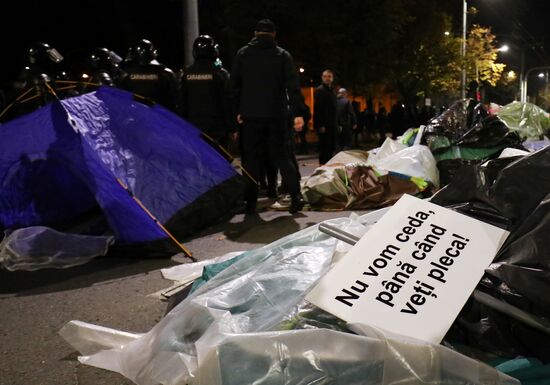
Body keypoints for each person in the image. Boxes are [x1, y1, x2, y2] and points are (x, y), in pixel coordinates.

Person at [230, 19, 305, 214]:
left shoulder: (243, 54)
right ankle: (296, 196)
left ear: (255, 34)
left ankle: (251, 201)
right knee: (282, 157)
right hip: (276, 115)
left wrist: (237, 112)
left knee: (251, 161)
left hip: (250, 116)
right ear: (274, 34)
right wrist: (297, 113)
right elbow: (293, 88)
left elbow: (234, 87)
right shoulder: (282, 56)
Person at [180, 35, 234, 149]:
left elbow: (182, 103)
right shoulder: (221, 74)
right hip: (217, 129)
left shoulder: (186, 74)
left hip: (193, 127)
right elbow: (227, 103)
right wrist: (232, 128)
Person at [117, 38, 181, 114]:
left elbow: (121, 104)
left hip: (136, 120)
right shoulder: (166, 74)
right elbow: (176, 103)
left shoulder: (126, 76)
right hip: (160, 120)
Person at [314, 69, 338, 165]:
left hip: (332, 125)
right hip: (324, 125)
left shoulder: (332, 90)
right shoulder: (320, 90)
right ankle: (322, 169)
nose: (327, 78)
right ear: (322, 78)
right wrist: (320, 125)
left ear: (332, 78)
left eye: (329, 76)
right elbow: (317, 109)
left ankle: (327, 169)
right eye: (325, 76)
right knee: (325, 149)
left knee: (331, 148)